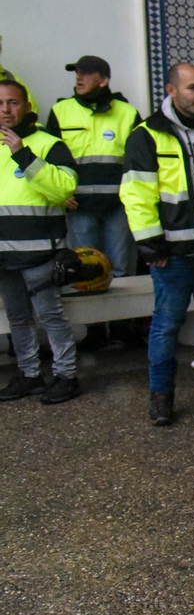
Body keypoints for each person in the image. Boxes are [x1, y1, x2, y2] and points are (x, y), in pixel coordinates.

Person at [121, 62, 194, 427]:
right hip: (173, 254)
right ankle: (161, 397)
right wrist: (150, 244)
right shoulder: (147, 134)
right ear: (171, 90)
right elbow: (137, 193)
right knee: (166, 324)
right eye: (192, 89)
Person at [0, 78, 81, 404]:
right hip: (4, 254)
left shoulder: (49, 144)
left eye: (13, 103)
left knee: (51, 317)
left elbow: (64, 187)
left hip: (40, 253)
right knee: (17, 318)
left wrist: (23, 155)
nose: (6, 110)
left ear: (27, 106)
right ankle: (30, 374)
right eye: (0, 104)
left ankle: (66, 376)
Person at [45, 55, 141, 277]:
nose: (79, 77)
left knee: (119, 268)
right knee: (84, 268)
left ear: (104, 80)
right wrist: (58, 193)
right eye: (77, 72)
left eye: (86, 73)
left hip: (118, 205)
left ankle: (123, 313)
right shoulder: (61, 110)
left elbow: (139, 160)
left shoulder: (127, 112)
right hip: (79, 205)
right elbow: (49, 155)